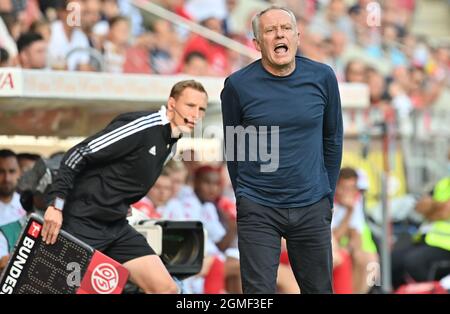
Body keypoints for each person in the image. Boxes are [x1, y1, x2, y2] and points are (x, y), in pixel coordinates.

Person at [41, 80, 208, 294]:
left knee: (166, 289)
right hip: (81, 222)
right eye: (190, 106)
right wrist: (56, 204)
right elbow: (78, 154)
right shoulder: (143, 125)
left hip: (116, 225)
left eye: (201, 109)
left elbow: (124, 175)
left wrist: (122, 200)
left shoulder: (172, 142)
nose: (196, 114)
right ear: (172, 104)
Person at [221, 6, 343, 293]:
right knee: (258, 294)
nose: (279, 34)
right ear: (257, 42)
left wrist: (327, 194)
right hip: (259, 208)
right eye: (270, 30)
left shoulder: (323, 77)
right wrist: (246, 196)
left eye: (285, 28)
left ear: (297, 36)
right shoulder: (237, 86)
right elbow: (235, 149)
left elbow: (333, 139)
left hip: (312, 204)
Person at [0, 149, 26, 272]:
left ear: (19, 173)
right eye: (1, 172)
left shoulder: (28, 207)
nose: (7, 178)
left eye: (12, 171)